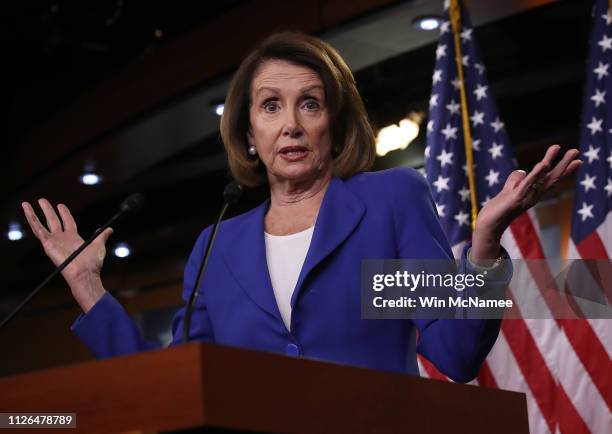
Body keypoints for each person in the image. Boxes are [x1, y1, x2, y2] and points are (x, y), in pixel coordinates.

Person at [22, 32, 580, 382]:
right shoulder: (218, 246)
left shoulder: (386, 203)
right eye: (270, 106)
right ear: (247, 134)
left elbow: (455, 354)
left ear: (333, 126)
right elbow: (178, 382)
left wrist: (483, 249)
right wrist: (90, 290)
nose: (290, 123)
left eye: (309, 103)